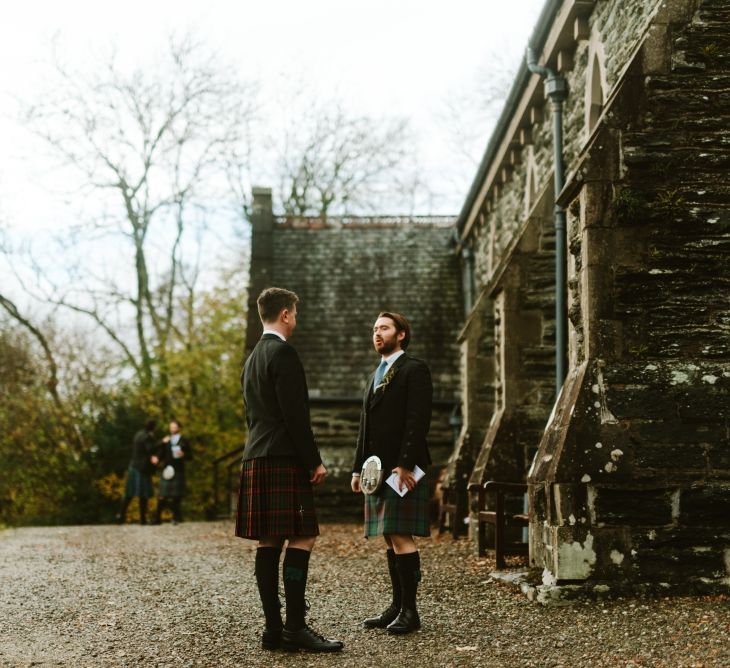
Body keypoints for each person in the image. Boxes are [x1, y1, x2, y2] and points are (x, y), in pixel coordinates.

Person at [235, 287, 343, 653]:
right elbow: (296, 416)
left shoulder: (252, 360)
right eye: (294, 314)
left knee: (269, 541)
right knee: (302, 537)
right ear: (284, 314)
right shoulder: (283, 353)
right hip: (282, 457)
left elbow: (252, 416)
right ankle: (294, 627)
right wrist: (313, 459)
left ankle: (272, 630)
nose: (296, 320)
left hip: (256, 456)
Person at [351, 311, 433, 635]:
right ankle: (397, 606)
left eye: (384, 328)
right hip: (376, 469)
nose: (377, 333)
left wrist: (405, 463)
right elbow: (364, 426)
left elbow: (418, 419)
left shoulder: (414, 370)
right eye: (374, 329)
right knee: (388, 535)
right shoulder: (375, 374)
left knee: (400, 534)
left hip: (401, 466)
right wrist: (358, 468)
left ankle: (411, 612)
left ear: (401, 334)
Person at [117, 419, 159, 525]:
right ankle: (143, 519)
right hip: (142, 469)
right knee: (143, 495)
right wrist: (162, 442)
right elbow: (149, 449)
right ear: (154, 428)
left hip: (133, 466)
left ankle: (120, 516)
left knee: (128, 494)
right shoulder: (147, 437)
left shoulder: (138, 434)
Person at [153, 419, 192, 525]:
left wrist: (184, 455)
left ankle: (175, 518)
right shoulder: (167, 440)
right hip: (167, 470)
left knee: (176, 495)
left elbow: (190, 456)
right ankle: (157, 518)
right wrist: (157, 458)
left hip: (178, 470)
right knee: (162, 494)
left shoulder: (184, 440)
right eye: (171, 427)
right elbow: (160, 452)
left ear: (179, 428)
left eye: (174, 427)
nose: (172, 429)